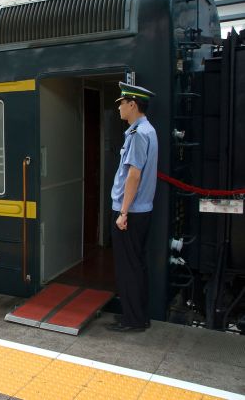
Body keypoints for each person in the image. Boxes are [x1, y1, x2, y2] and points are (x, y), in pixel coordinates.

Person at [107, 82, 158, 333]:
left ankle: (133, 320)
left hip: (131, 212)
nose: (119, 108)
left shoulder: (138, 134)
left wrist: (123, 212)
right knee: (136, 264)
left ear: (132, 105)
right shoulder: (147, 131)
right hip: (141, 211)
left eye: (121, 104)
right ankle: (138, 316)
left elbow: (134, 175)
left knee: (128, 268)